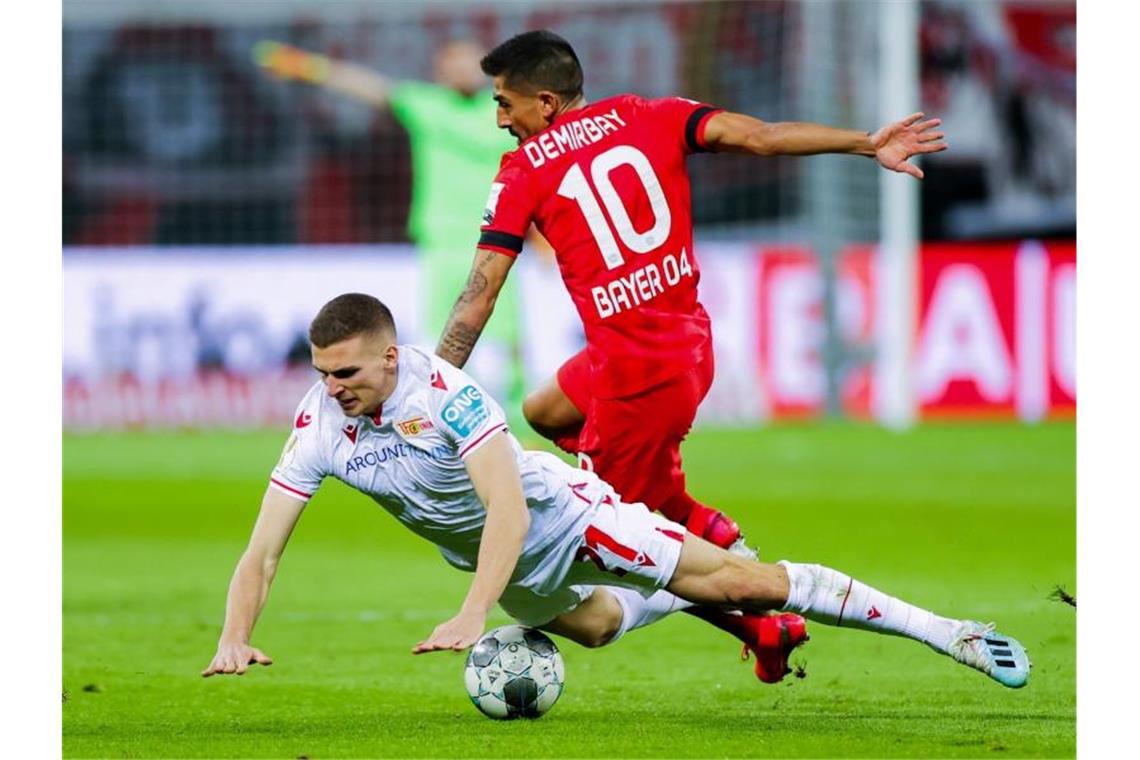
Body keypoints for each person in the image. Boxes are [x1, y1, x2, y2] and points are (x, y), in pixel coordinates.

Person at [202, 293, 1029, 692]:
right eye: (321, 372)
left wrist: (472, 613)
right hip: (491, 557)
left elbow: (511, 508)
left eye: (344, 371)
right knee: (596, 629)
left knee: (745, 583)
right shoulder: (318, 423)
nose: (331, 386)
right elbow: (262, 550)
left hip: (563, 517)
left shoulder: (444, 392)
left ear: (389, 358)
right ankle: (671, 583)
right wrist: (235, 636)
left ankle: (948, 632)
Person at [434, 30, 949, 556]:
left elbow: (480, 294)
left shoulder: (522, 170)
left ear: (545, 103)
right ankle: (686, 513)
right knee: (545, 411)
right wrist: (866, 142)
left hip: (632, 377)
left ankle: (767, 622)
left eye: (504, 104)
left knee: (607, 550)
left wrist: (432, 390)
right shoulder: (651, 113)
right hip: (689, 349)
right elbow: (763, 137)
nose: (499, 120)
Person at [255, 38, 525, 422]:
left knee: (501, 349)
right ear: (442, 73)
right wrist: (305, 67)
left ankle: (510, 432)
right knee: (441, 342)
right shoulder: (429, 107)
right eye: (455, 64)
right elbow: (368, 87)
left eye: (470, 63)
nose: (464, 71)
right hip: (442, 244)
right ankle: (439, 427)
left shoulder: (504, 113)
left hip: (499, 242)